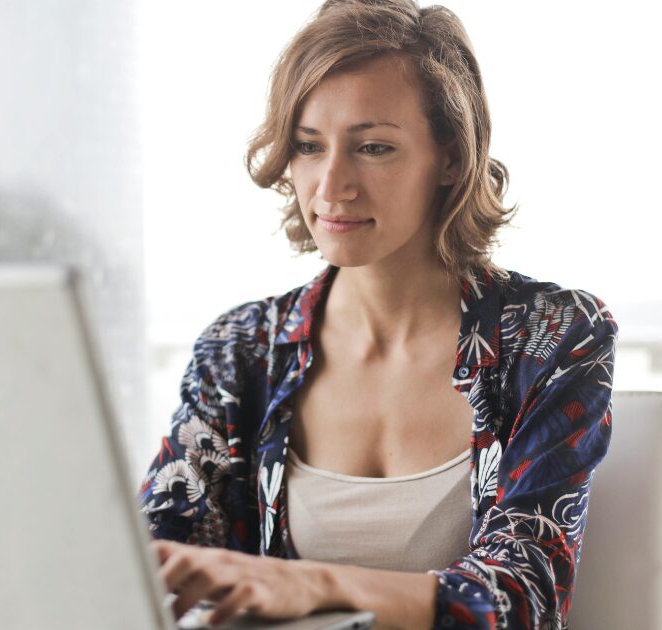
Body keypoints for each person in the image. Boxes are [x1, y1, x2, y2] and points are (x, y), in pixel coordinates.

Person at [137, 1, 617, 628]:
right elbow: (152, 561)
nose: (332, 184)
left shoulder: (552, 336)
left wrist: (308, 584)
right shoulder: (242, 350)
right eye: (309, 146)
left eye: (373, 147)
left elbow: (524, 597)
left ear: (450, 158)